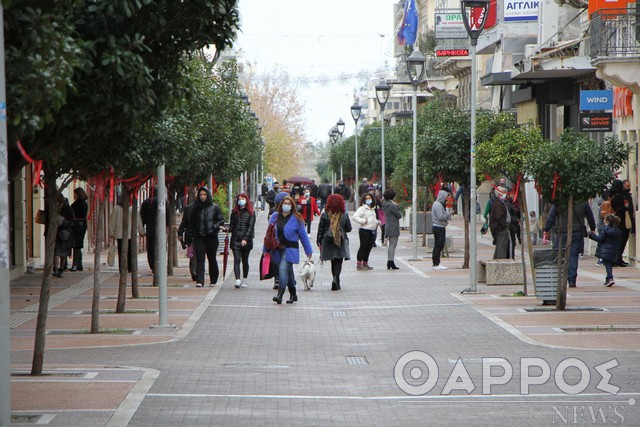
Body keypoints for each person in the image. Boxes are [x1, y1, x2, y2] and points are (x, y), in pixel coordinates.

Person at [267, 195, 313, 304]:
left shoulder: (297, 218)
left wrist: (308, 250)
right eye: (284, 203)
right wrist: (266, 249)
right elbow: (268, 234)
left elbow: (303, 236)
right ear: (281, 204)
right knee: (288, 273)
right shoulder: (274, 216)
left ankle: (280, 295)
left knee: (282, 270)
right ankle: (294, 294)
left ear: (292, 206)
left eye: (288, 203)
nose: (286, 205)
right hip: (277, 249)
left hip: (290, 250)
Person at [543, 200, 596, 288]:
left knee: (561, 254)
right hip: (577, 231)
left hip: (562, 231)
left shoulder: (560, 201)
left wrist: (546, 229)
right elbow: (590, 216)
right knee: (573, 255)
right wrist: (592, 227)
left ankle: (561, 277)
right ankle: (572, 280)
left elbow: (551, 216)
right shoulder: (582, 202)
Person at [188, 186, 226, 287]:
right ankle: (200, 280)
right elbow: (191, 223)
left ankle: (213, 279)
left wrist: (215, 226)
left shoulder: (215, 207)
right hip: (199, 237)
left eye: (204, 195)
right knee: (200, 258)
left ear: (208, 195)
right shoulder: (196, 209)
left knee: (211, 258)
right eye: (200, 195)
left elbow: (221, 220)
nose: (202, 197)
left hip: (211, 237)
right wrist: (190, 235)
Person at [316, 194, 352, 290]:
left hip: (328, 240)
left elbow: (321, 229)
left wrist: (319, 241)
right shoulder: (344, 214)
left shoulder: (325, 214)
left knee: (333, 260)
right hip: (341, 240)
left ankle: (335, 279)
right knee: (339, 260)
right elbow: (349, 229)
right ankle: (336, 279)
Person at [109, 198, 145, 273]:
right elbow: (138, 222)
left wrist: (111, 233)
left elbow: (112, 222)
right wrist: (141, 231)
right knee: (131, 252)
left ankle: (122, 268)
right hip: (131, 234)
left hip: (120, 235)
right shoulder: (133, 209)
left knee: (121, 252)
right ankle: (130, 268)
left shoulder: (116, 209)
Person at [229, 193, 256, 289]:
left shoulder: (251, 213)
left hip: (246, 240)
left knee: (245, 260)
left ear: (246, 199)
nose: (241, 200)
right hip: (235, 239)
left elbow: (250, 227)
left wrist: (245, 238)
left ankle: (244, 278)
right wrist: (226, 228)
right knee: (237, 259)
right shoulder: (234, 212)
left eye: (243, 198)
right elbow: (232, 226)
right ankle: (237, 279)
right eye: (239, 199)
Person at [588, 214, 622, 287]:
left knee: (608, 264)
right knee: (609, 264)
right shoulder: (617, 230)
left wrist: (591, 235)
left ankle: (610, 278)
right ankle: (608, 279)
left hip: (606, 250)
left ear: (607, 221)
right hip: (614, 250)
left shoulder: (605, 229)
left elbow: (600, 238)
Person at [352, 193, 380, 270]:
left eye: (370, 198)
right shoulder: (362, 208)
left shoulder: (372, 208)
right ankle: (359, 263)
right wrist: (363, 221)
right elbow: (355, 217)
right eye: (367, 199)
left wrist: (377, 222)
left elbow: (372, 218)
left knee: (369, 247)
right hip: (364, 231)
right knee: (363, 247)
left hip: (372, 230)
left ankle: (365, 262)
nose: (369, 200)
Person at [611, 179, 635, 267]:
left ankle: (616, 259)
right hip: (622, 221)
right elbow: (624, 208)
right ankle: (617, 259)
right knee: (621, 240)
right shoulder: (620, 196)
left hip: (615, 221)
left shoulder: (612, 195)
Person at [53, 193, 76, 278]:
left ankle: (61, 269)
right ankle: (56, 268)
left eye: (57, 202)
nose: (56, 204)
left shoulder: (68, 208)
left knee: (63, 253)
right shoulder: (53, 208)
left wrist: (63, 222)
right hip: (55, 233)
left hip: (64, 234)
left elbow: (73, 221)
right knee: (56, 252)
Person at [178, 192, 197, 282]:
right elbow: (184, 222)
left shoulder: (208, 208)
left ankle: (196, 272)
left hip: (201, 236)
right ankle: (194, 272)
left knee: (198, 255)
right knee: (193, 255)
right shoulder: (188, 208)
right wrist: (180, 233)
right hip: (191, 236)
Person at [431, 189, 452, 270]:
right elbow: (441, 217)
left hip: (439, 226)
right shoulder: (438, 205)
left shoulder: (437, 204)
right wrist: (448, 214)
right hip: (439, 227)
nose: (447, 198)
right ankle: (436, 263)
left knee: (438, 245)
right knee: (439, 245)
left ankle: (436, 262)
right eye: (446, 196)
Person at [382, 188, 402, 270]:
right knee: (393, 245)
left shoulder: (385, 204)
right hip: (393, 226)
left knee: (391, 245)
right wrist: (397, 206)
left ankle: (390, 261)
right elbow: (399, 215)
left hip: (388, 225)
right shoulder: (392, 205)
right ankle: (391, 261)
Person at [489, 186, 511, 260]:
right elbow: (500, 217)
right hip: (500, 229)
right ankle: (500, 263)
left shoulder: (500, 203)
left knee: (500, 247)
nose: (505, 194)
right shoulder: (498, 204)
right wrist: (504, 226)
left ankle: (496, 262)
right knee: (501, 248)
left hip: (500, 228)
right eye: (503, 192)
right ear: (499, 194)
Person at [70, 187, 88, 271]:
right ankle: (79, 264)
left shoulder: (81, 204)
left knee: (77, 245)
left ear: (78, 194)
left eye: (75, 194)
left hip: (79, 225)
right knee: (78, 245)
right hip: (79, 225)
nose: (74, 195)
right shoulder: (79, 203)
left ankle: (75, 264)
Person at [140, 190, 159, 273]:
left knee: (150, 249)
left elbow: (142, 217)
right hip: (160, 231)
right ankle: (157, 266)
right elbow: (168, 216)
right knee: (159, 249)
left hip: (150, 230)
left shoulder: (145, 203)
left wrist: (142, 228)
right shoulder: (163, 201)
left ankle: (152, 266)